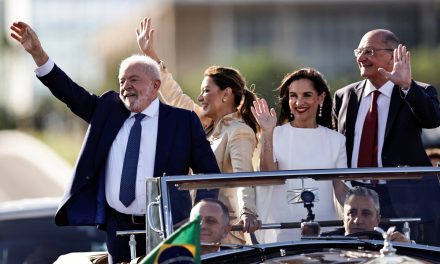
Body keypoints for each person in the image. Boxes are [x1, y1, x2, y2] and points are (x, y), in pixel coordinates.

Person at [10, 21, 220, 263]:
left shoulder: (182, 121)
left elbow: (208, 174)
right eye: (122, 81)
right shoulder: (108, 110)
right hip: (117, 229)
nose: (125, 87)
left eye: (134, 80)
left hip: (170, 230)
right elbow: (70, 93)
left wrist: (202, 218)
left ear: (155, 86)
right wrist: (39, 55)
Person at [136, 17, 261, 244]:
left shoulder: (238, 131)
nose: (200, 97)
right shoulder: (206, 126)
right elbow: (175, 96)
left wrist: (248, 213)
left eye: (206, 91)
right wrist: (151, 56)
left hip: (226, 232)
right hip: (200, 228)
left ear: (226, 94)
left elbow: (245, 178)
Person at [332, 29, 440, 245]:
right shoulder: (344, 96)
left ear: (393, 55)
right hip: (358, 199)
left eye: (369, 51)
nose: (361, 58)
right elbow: (337, 146)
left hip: (402, 198)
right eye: (359, 52)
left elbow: (432, 119)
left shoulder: (416, 91)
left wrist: (407, 86)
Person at [251, 68, 348, 243]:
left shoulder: (337, 140)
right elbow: (267, 174)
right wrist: (267, 134)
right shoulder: (274, 133)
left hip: (325, 230)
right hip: (282, 230)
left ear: (321, 97)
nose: (299, 102)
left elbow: (341, 191)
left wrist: (362, 212)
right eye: (293, 96)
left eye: (307, 95)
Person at [321, 186, 410, 243]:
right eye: (352, 213)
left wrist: (409, 246)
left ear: (377, 219)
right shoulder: (324, 242)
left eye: (366, 214)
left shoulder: (389, 243)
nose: (358, 221)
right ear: (344, 218)